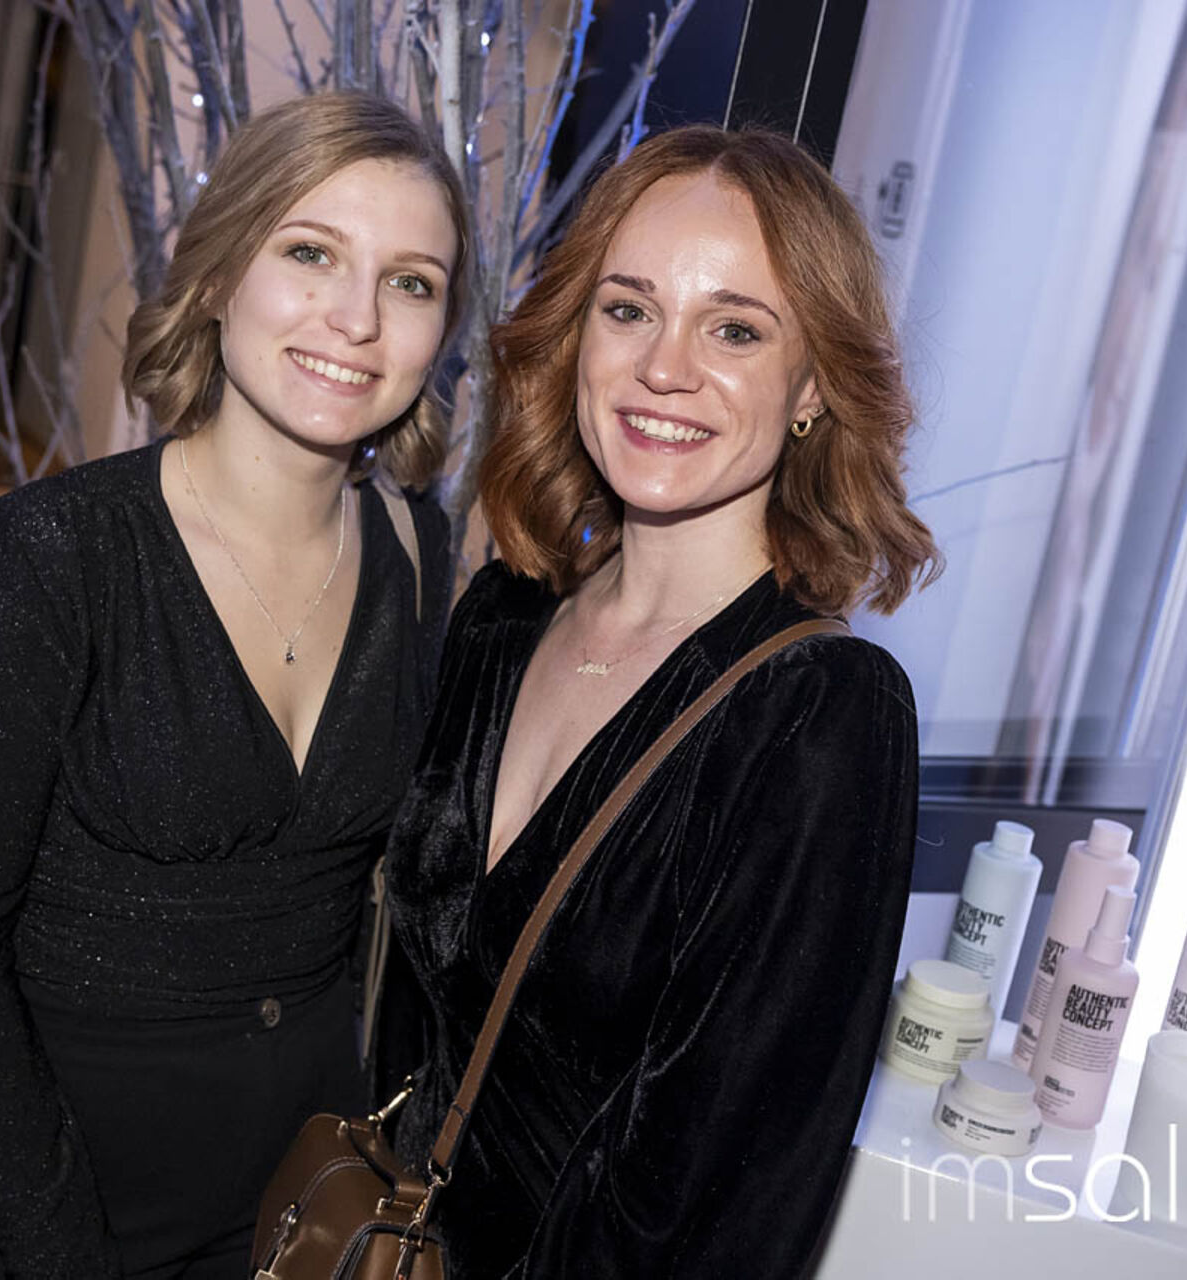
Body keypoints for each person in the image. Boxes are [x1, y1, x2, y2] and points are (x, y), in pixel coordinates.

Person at [0, 93, 467, 1279]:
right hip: (42, 1189)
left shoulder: (418, 553)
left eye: (411, 282)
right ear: (215, 275)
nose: (357, 318)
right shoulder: (63, 552)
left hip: (295, 1194)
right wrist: (62, 1250)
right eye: (311, 253)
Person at [383, 124, 942, 1277]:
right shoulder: (504, 614)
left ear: (812, 386)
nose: (664, 368)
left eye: (735, 329)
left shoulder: (822, 719)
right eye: (629, 308)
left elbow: (731, 1207)